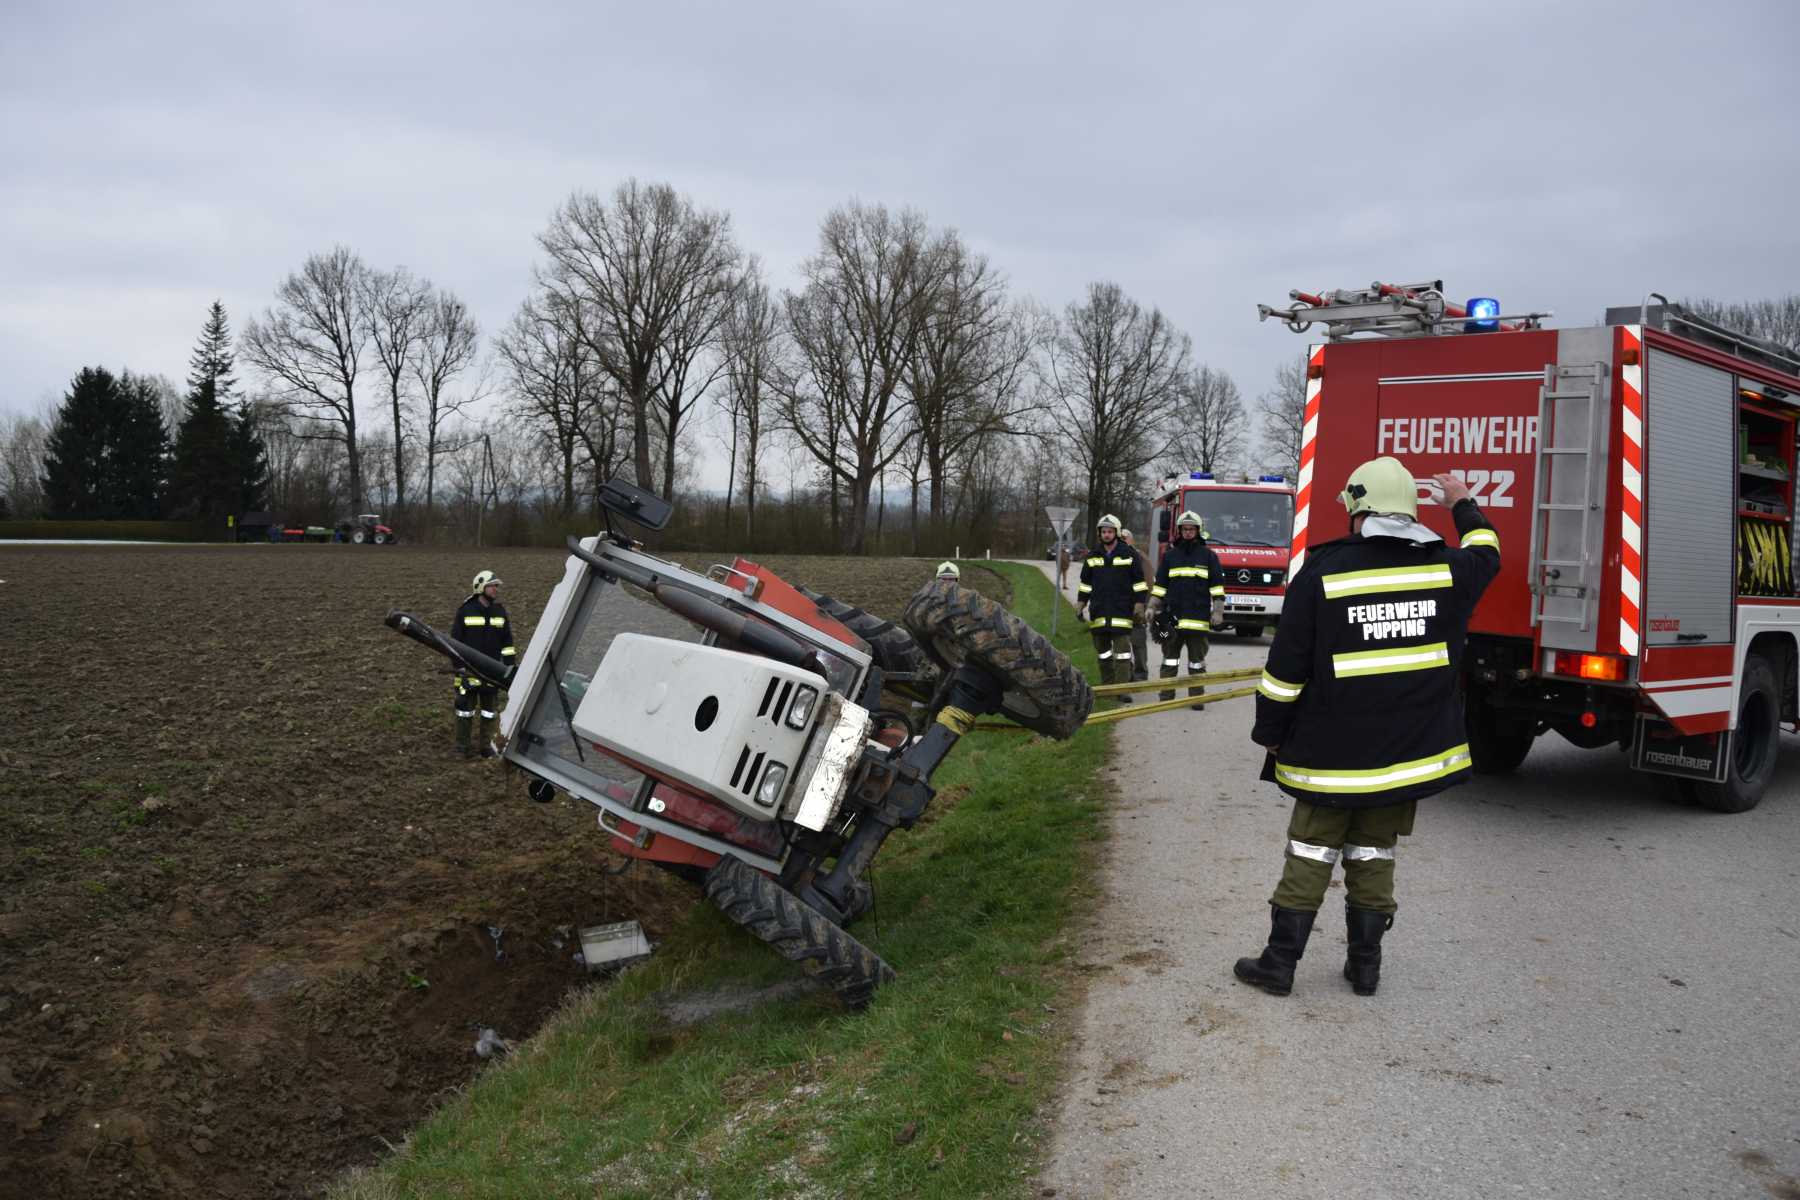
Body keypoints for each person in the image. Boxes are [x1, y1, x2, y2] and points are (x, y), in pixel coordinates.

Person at [1233, 458, 1499, 998]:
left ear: (1358, 510)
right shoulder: (1449, 570)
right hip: (1402, 758)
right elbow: (1487, 551)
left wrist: (1270, 733)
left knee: (1311, 851)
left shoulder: (1322, 573)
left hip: (1330, 757)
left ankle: (1279, 964)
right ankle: (1365, 967)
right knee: (1374, 852)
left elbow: (1284, 673)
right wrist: (1462, 502)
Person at [1149, 511, 1226, 710]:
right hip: (1171, 620)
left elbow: (1217, 588)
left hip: (1197, 620)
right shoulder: (1170, 556)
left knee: (1197, 663)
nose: (1188, 532)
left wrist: (1218, 611)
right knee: (1169, 660)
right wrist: (1151, 606)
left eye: (1191, 529)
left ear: (1198, 531)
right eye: (1185, 529)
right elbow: (1160, 587)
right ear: (1180, 531)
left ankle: (1196, 699)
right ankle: (1166, 697)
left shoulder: (1209, 557)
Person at [1077, 514, 1148, 701]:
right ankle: (1107, 689)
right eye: (1104, 532)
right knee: (1103, 654)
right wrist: (1081, 604)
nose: (1106, 535)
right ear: (1099, 533)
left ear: (1116, 533)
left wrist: (1139, 604)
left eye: (1109, 531)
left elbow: (1139, 583)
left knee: (1123, 654)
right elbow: (1085, 584)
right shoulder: (1093, 556)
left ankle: (1122, 691)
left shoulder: (1129, 554)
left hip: (1122, 612)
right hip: (1099, 612)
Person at [453, 569, 517, 759]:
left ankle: (485, 747)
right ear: (480, 587)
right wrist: (459, 668)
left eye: (496, 586)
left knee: (489, 713)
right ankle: (462, 747)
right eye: (492, 586)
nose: (496, 589)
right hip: (469, 672)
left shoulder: (499, 611)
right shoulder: (465, 611)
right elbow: (454, 643)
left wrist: (509, 669)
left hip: (492, 673)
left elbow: (507, 643)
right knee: (464, 711)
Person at [1119, 529, 1154, 687]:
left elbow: (1149, 581)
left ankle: (1140, 673)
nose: (1122, 541)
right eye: (1120, 538)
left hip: (1136, 608)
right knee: (1120, 644)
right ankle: (1126, 672)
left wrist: (1144, 605)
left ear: (1131, 540)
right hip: (1118, 609)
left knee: (1138, 642)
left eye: (1125, 538)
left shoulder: (1140, 557)